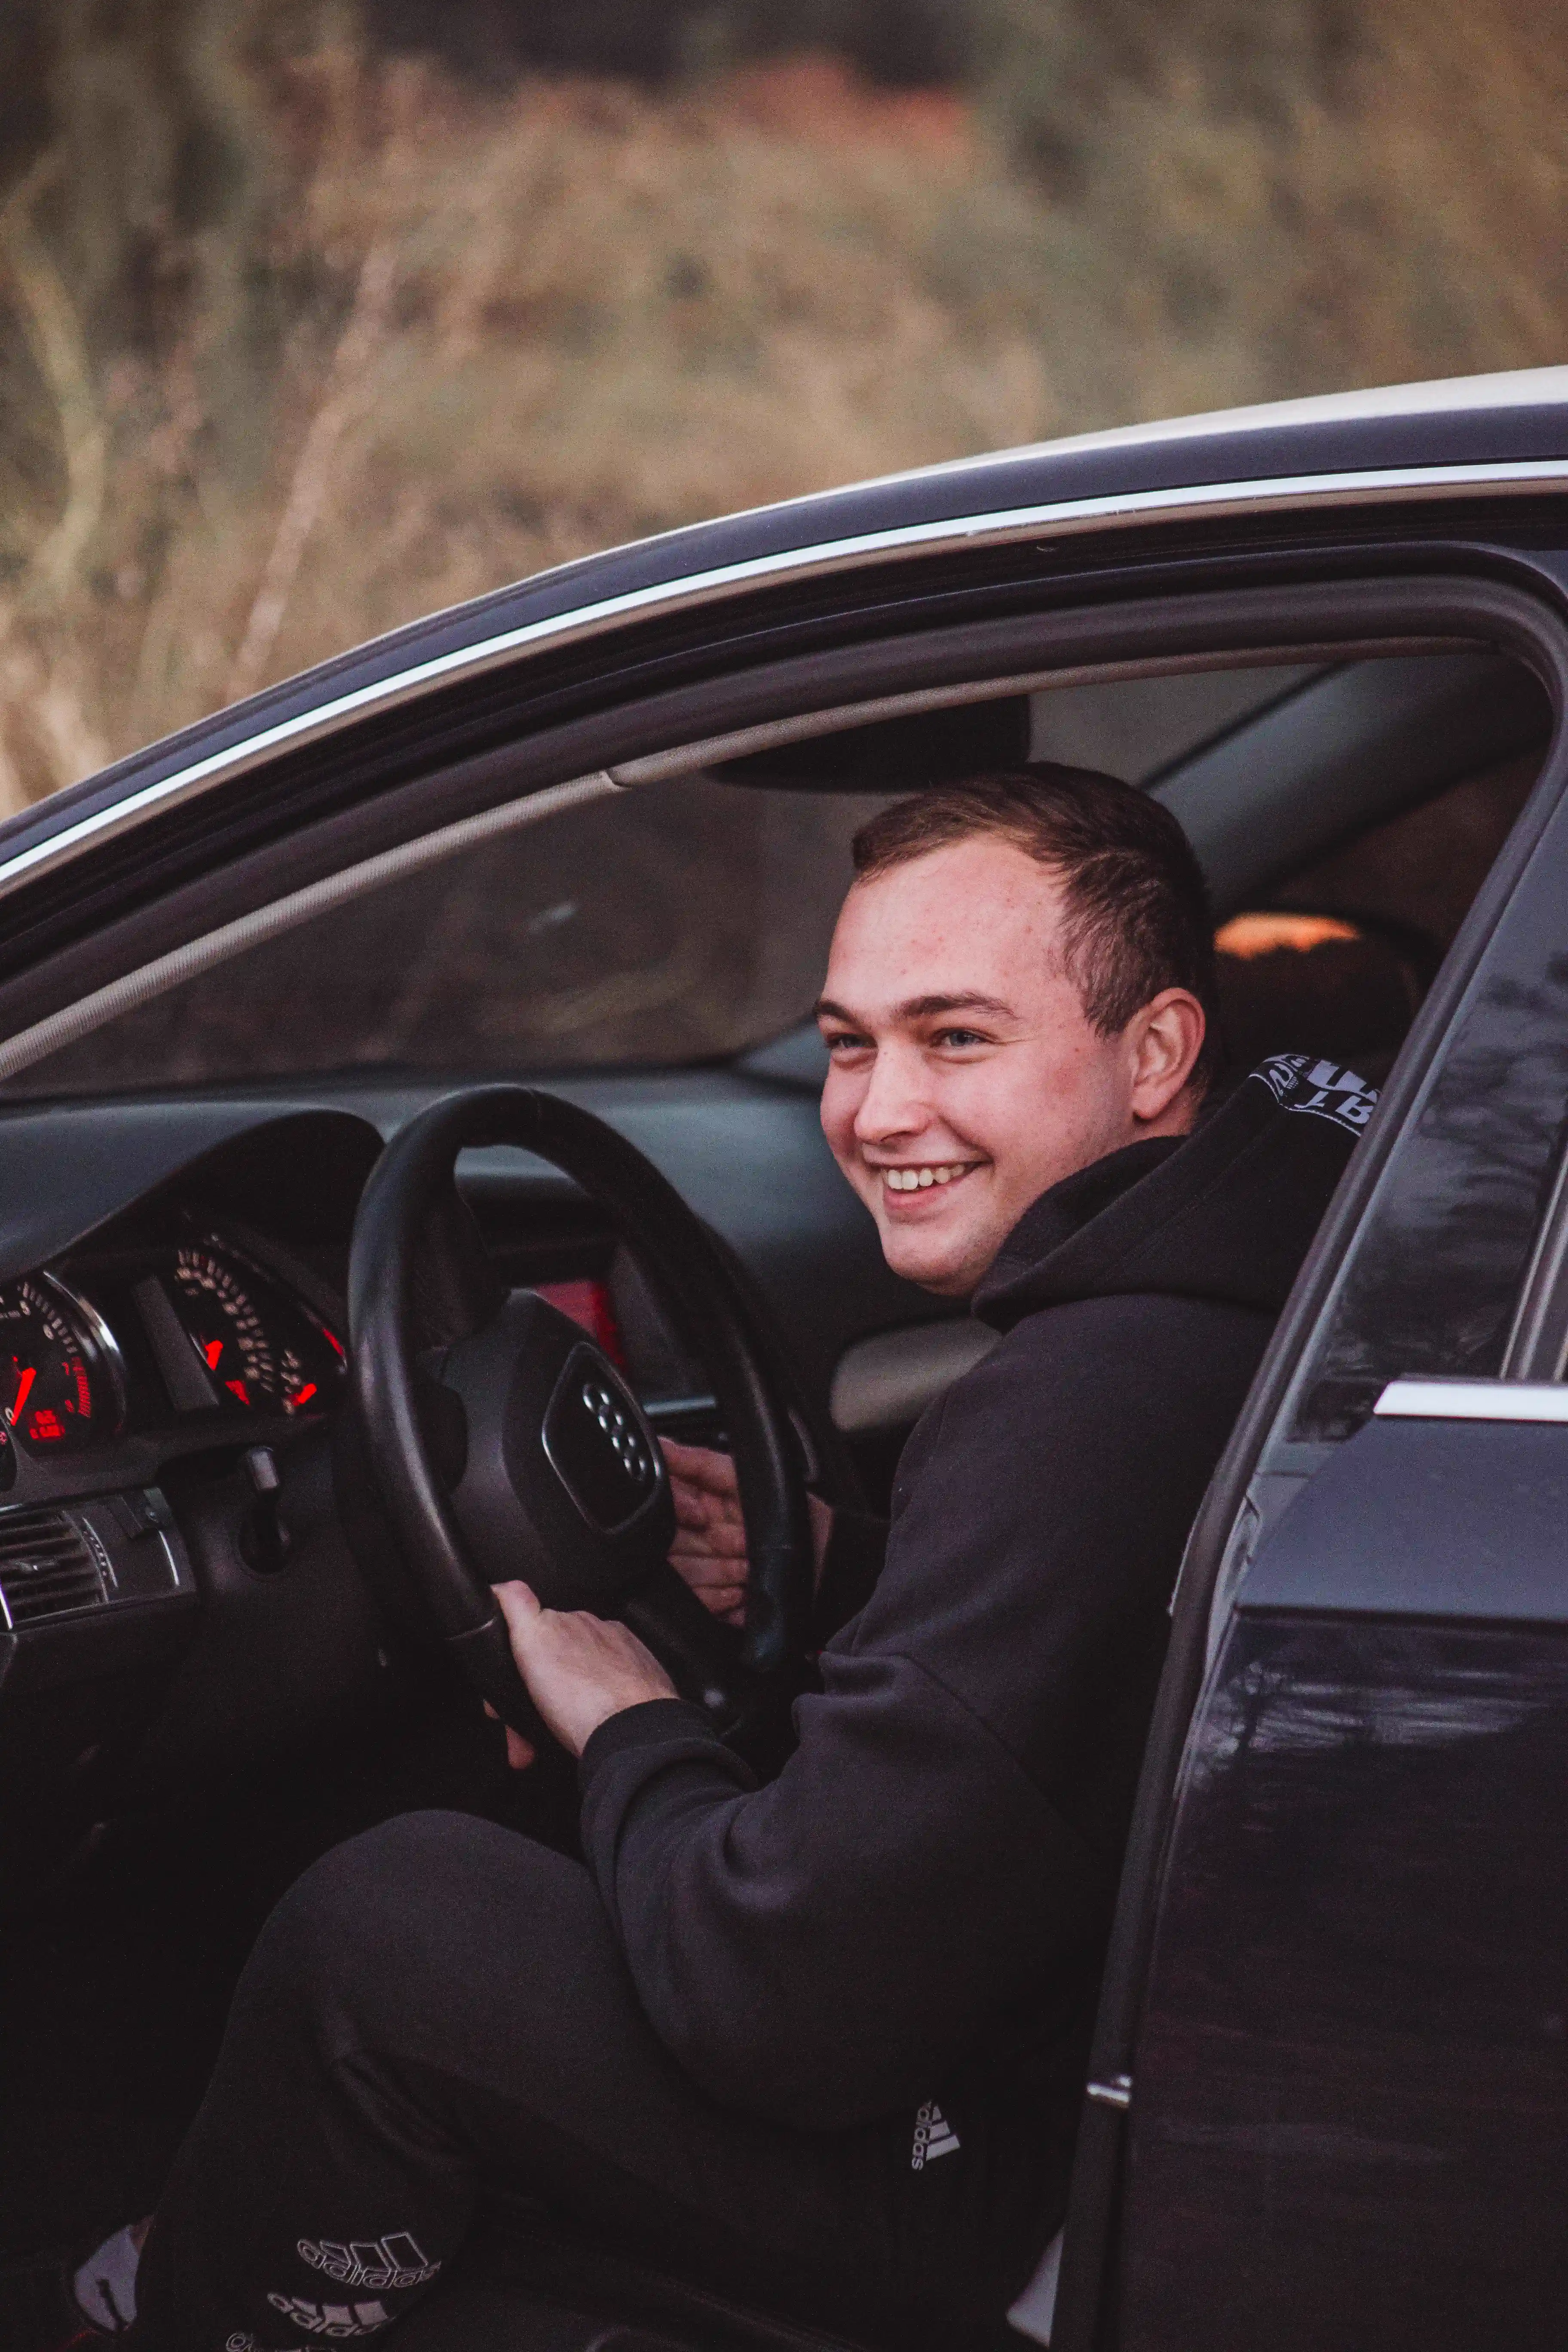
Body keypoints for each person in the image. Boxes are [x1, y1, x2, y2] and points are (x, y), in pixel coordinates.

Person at [75, 768, 1376, 2352]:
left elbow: (785, 2003)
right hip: (1115, 2048)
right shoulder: (1279, 1245)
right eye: (847, 1043)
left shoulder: (1082, 1402)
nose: (877, 1112)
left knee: (387, 1920)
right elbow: (1071, 1666)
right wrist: (826, 1565)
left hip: (1003, 2177)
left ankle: (181, 2314)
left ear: (1158, 1049)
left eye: (956, 1038)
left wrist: (627, 1719)